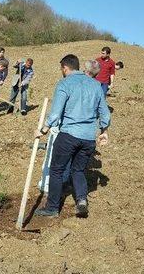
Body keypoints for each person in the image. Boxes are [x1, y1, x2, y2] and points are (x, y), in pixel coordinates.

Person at [34, 54, 111, 218]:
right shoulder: (96, 86)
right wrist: (104, 131)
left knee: (56, 170)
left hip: (69, 135)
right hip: (89, 138)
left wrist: (44, 129)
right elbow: (105, 112)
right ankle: (82, 201)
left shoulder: (65, 83)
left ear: (65, 68)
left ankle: (52, 208)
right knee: (78, 170)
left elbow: (56, 112)